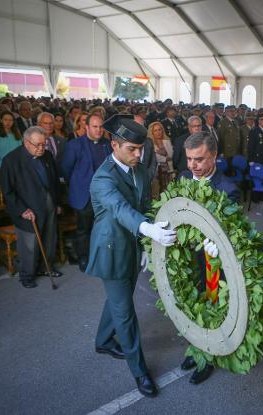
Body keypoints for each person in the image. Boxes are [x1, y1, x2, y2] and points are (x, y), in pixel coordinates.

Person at [85, 114, 177, 398]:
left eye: (140, 149)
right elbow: (119, 209)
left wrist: (149, 237)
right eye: (132, 149)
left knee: (119, 298)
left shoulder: (137, 169)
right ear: (114, 145)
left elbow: (144, 205)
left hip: (133, 244)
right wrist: (148, 229)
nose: (139, 154)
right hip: (111, 251)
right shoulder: (102, 178)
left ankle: (103, 340)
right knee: (126, 314)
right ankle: (139, 372)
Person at [176, 131, 240, 384]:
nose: (193, 165)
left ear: (214, 156)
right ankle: (195, 349)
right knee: (191, 307)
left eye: (200, 159)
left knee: (213, 309)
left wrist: (219, 245)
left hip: (213, 263)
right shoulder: (183, 177)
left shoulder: (228, 189)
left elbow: (233, 232)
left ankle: (209, 358)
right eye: (190, 159)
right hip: (187, 260)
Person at [0, 126, 62, 288]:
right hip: (28, 209)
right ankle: (27, 275)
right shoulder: (11, 160)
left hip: (48, 204)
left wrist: (57, 202)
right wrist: (22, 210)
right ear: (26, 142)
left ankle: (46, 267)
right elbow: (8, 191)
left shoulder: (47, 155)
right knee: (29, 244)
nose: (41, 148)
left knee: (49, 238)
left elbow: (54, 181)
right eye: (37, 145)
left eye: (44, 144)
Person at [60, 113, 111, 272]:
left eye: (101, 126)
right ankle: (84, 258)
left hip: (103, 195)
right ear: (86, 127)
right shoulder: (74, 145)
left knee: (103, 227)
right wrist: (78, 185)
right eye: (95, 127)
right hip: (83, 195)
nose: (99, 130)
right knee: (83, 229)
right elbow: (65, 170)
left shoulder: (107, 144)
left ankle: (100, 257)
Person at [146, 121, 174, 197]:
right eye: (155, 130)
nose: (158, 132)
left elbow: (171, 155)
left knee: (169, 192)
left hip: (169, 171)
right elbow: (155, 158)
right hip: (156, 172)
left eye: (159, 129)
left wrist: (161, 154)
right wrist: (165, 157)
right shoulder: (149, 143)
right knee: (157, 193)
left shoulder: (167, 141)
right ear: (152, 132)